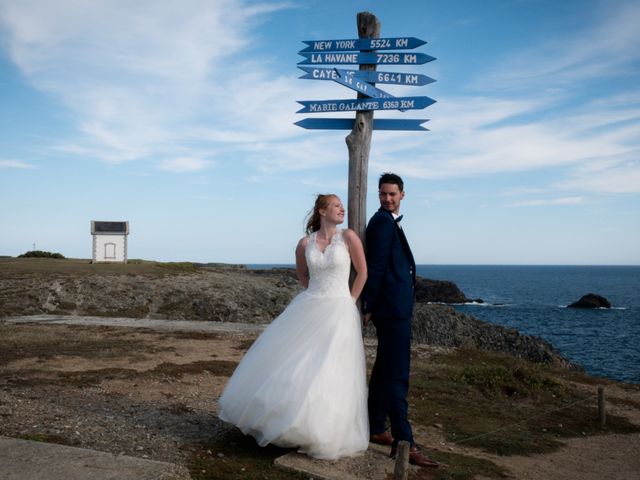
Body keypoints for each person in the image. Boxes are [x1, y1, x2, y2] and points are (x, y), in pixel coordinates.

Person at [218, 194, 369, 460]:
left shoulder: (348, 237)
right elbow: (302, 273)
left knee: (331, 366)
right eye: (336, 206)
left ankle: (321, 429)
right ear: (322, 211)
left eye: (342, 206)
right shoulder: (304, 243)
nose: (342, 209)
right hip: (309, 306)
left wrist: (350, 301)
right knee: (297, 362)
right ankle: (282, 420)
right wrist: (314, 292)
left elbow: (363, 272)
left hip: (339, 309)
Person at [361, 173, 440, 468]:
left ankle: (376, 426)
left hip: (395, 308)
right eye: (382, 194)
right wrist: (368, 304)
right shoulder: (382, 222)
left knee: (384, 370)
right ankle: (405, 442)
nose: (386, 199)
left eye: (391, 194)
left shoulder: (389, 221)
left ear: (402, 195)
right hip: (391, 311)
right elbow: (376, 267)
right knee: (397, 376)